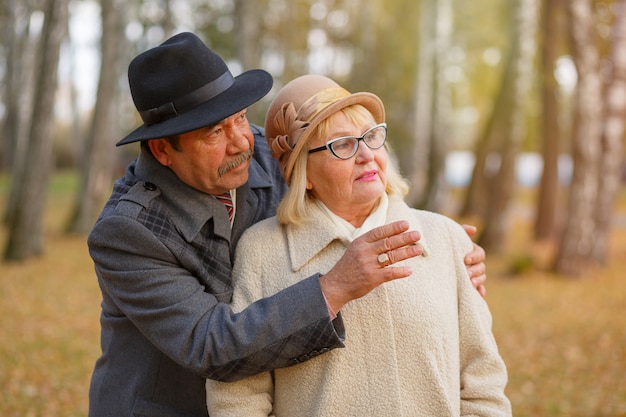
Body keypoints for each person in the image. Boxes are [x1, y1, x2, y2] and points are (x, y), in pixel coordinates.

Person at [87, 32, 488, 417]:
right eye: (215, 132)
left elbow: (348, 176)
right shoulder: (127, 232)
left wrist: (441, 251)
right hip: (166, 407)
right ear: (163, 149)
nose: (241, 141)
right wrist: (333, 288)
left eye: (240, 118)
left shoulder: (262, 152)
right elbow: (211, 344)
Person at [205, 74, 511, 416]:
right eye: (343, 144)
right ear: (303, 172)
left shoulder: (446, 238)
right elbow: (239, 397)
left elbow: (482, 381)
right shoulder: (261, 251)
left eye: (371, 136)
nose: (366, 154)